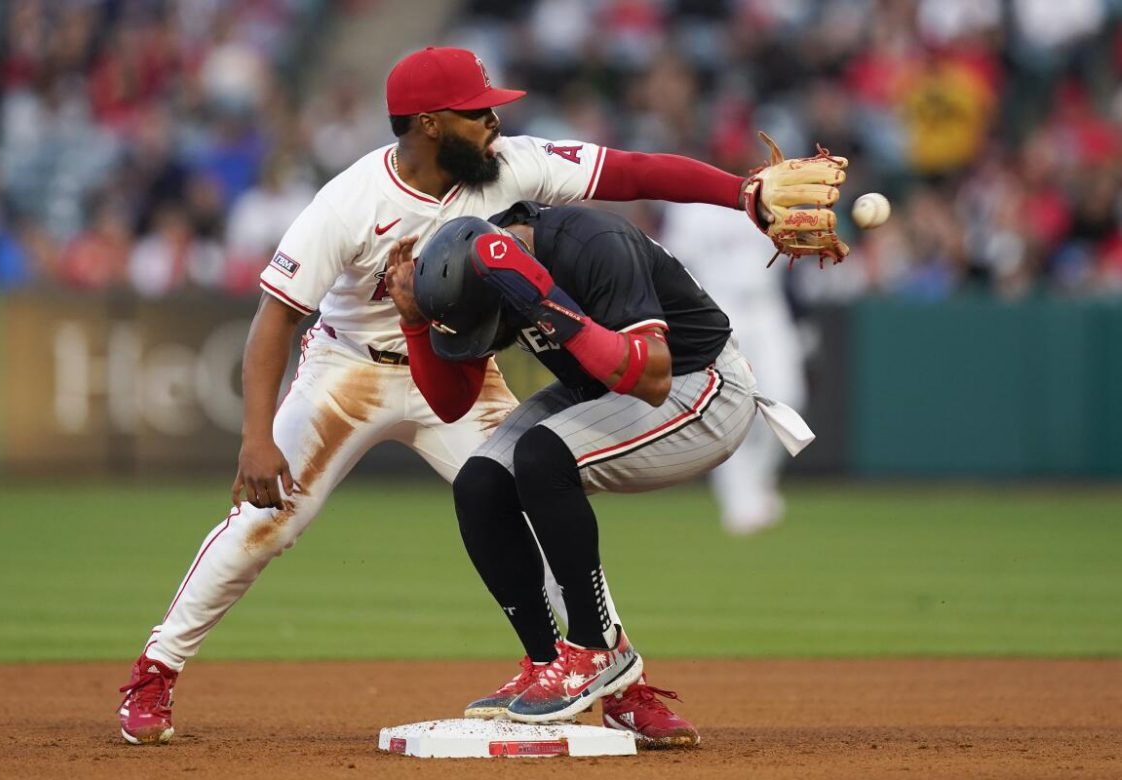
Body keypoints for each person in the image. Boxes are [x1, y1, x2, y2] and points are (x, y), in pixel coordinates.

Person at [116, 46, 801, 747]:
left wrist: (741, 193)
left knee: (536, 501)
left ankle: (619, 684)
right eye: (479, 113)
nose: (495, 123)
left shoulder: (510, 164)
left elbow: (630, 171)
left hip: (457, 362)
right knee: (267, 522)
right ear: (432, 124)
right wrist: (255, 436)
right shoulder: (351, 200)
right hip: (349, 369)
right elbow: (275, 318)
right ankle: (155, 670)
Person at [383, 203, 815, 741]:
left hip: (702, 387)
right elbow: (451, 405)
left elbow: (653, 376)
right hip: (603, 383)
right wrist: (414, 322)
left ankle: (594, 650)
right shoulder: (483, 270)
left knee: (542, 455)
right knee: (480, 483)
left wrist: (543, 299)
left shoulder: (594, 243)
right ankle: (547, 663)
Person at [660, 202, 807, 534]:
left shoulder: (772, 197)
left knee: (787, 397)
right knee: (728, 408)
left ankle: (759, 483)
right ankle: (739, 502)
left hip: (768, 306)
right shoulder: (691, 208)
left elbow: (792, 257)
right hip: (720, 307)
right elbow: (675, 264)